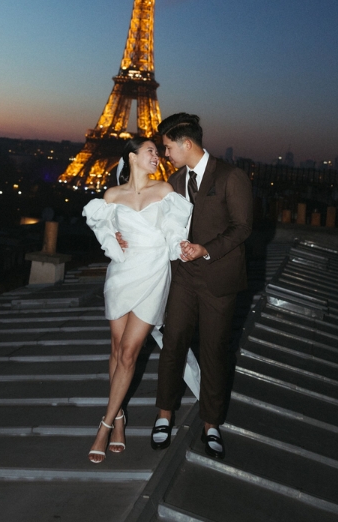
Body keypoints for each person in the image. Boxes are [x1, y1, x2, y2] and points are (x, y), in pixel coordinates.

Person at [83, 136, 192, 463]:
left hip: (153, 273)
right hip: (121, 274)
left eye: (159, 152)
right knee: (116, 348)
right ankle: (119, 418)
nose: (157, 156)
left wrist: (182, 248)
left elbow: (175, 234)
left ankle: (104, 425)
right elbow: (103, 232)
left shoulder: (165, 192)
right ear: (131, 156)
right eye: (150, 151)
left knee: (130, 352)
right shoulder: (112, 196)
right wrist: (112, 237)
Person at [151, 113, 253, 460]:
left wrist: (206, 249)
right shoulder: (176, 181)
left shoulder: (230, 177)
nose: (165, 155)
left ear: (187, 144)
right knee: (172, 345)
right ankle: (164, 414)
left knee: (213, 352)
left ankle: (212, 423)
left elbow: (242, 227)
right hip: (183, 277)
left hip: (217, 279)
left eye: (168, 148)